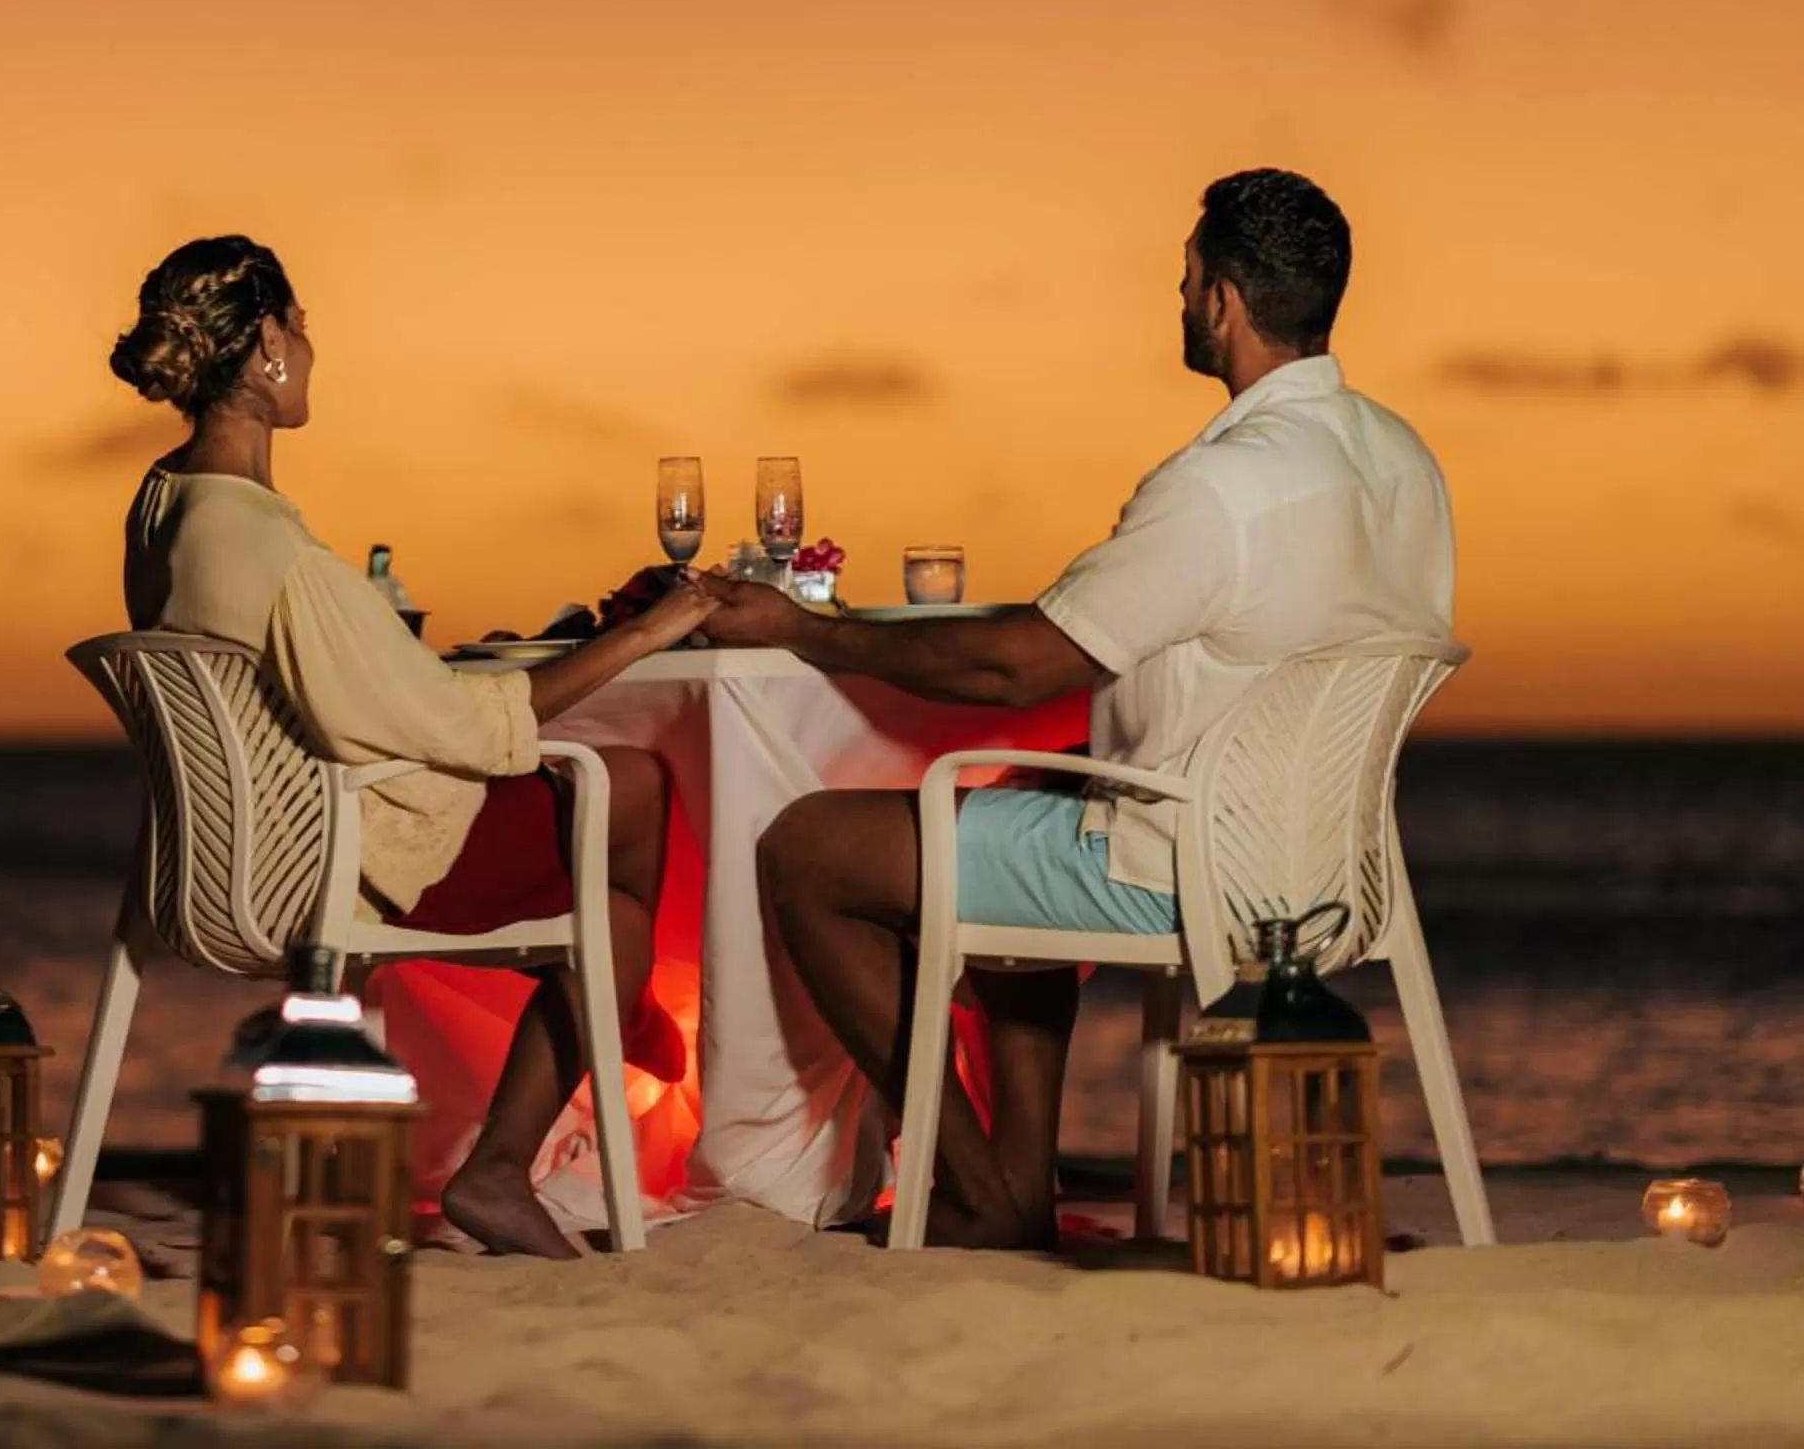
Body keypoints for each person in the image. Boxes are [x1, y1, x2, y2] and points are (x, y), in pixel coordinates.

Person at [696, 169, 1455, 1248]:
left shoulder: (1221, 487)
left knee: (808, 849)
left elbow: (1014, 669)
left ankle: (974, 1188)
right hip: (1337, 874)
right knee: (1023, 795)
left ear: (1223, 301)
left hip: (1186, 871)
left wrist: (802, 630)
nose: (1179, 295)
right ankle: (1019, 1183)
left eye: (1186, 277)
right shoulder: (1405, 462)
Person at [112, 233, 712, 1259]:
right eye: (302, 326)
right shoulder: (270, 545)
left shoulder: (163, 505)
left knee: (614, 813)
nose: (311, 346)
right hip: (319, 869)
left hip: (209, 867)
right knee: (632, 804)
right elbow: (463, 724)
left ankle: (620, 999)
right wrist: (648, 632)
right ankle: (521, 1136)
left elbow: (339, 689)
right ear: (268, 342)